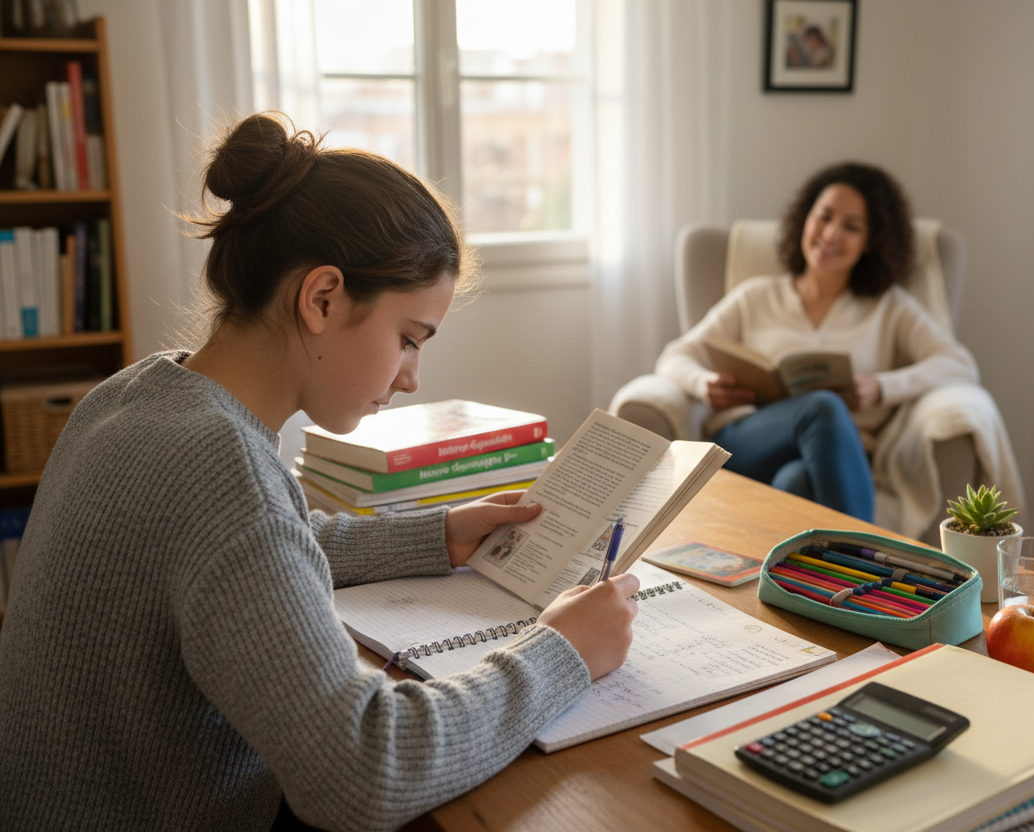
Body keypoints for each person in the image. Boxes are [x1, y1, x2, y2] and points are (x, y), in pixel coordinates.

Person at [0, 112, 640, 832]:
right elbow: (363, 773)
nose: (411, 378)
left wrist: (441, 536)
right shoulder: (219, 473)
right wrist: (562, 654)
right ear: (322, 298)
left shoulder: (135, 395)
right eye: (408, 339)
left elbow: (257, 550)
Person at [655, 162, 978, 521]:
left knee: (794, 481)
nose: (832, 233)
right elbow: (674, 356)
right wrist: (704, 384)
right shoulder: (756, 296)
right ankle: (863, 567)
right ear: (804, 220)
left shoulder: (889, 306)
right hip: (746, 445)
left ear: (872, 241)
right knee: (821, 407)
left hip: (836, 459)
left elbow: (959, 363)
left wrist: (880, 388)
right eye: (823, 217)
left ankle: (802, 575)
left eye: (851, 226)